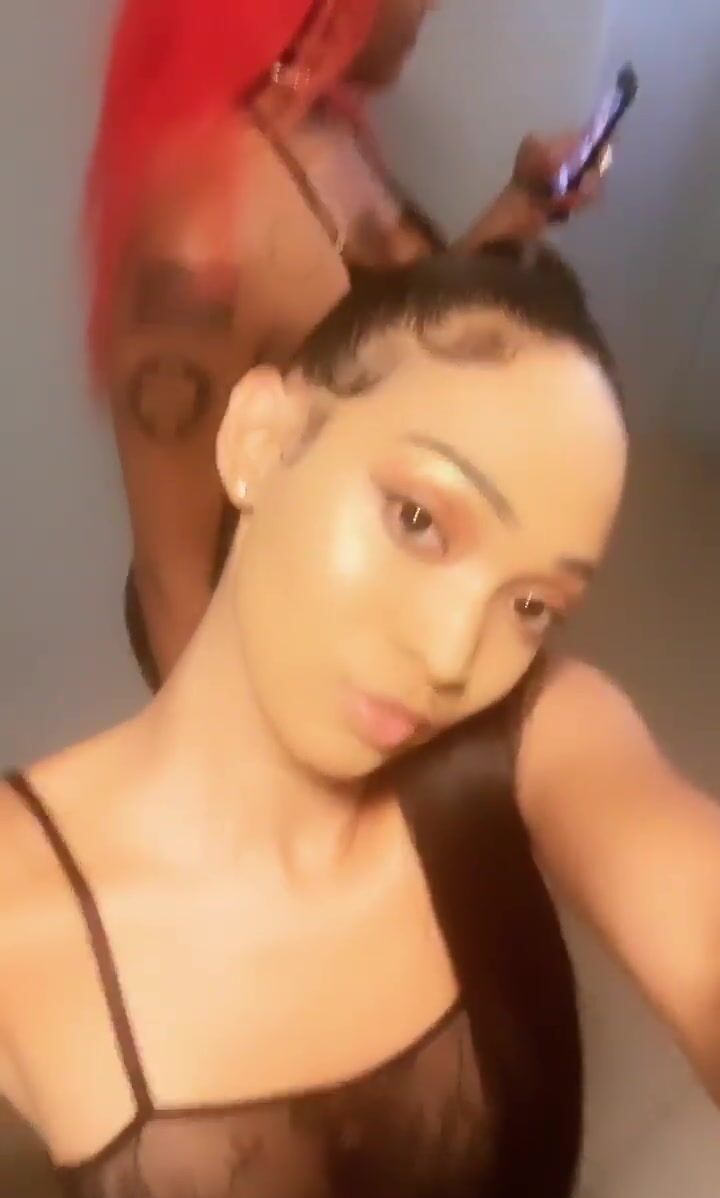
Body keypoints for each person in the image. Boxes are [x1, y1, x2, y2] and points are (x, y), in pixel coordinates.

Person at [5, 249, 719, 1198]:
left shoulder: (534, 728)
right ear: (260, 442)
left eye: (532, 605)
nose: (451, 657)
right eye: (419, 520)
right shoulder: (17, 901)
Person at [86, 0, 609, 689]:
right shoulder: (195, 244)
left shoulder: (321, 125)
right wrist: (239, 757)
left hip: (376, 607)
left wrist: (523, 205)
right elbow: (172, 578)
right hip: (268, 659)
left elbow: (387, 338)